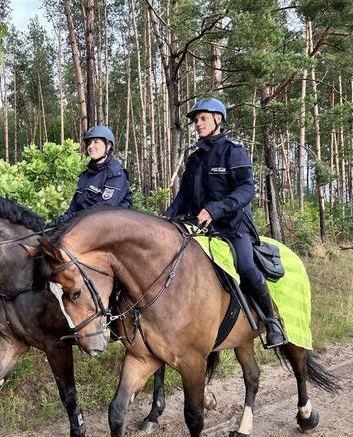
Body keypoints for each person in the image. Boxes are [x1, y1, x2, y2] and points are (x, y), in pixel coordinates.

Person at [163, 97, 287, 348]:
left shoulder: (234, 150)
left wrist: (215, 209)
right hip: (199, 228)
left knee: (245, 266)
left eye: (203, 119)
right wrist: (166, 218)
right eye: (196, 120)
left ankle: (272, 322)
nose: (198, 124)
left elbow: (245, 189)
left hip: (232, 227)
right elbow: (184, 196)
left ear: (218, 120)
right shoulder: (195, 158)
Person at [47, 125, 133, 227]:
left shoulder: (116, 174)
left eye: (96, 142)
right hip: (85, 224)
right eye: (89, 143)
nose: (90, 146)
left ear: (108, 146)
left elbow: (103, 210)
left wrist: (72, 219)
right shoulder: (85, 175)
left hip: (111, 229)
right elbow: (74, 207)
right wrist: (61, 221)